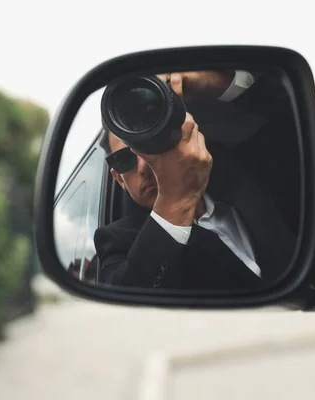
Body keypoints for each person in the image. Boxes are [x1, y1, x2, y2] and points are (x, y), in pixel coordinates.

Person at [93, 70, 299, 290]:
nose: (144, 165)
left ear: (188, 139)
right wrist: (175, 201)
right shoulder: (118, 240)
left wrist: (215, 82)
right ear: (119, 180)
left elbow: (293, 120)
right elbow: (124, 298)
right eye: (125, 159)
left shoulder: (251, 182)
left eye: (151, 146)